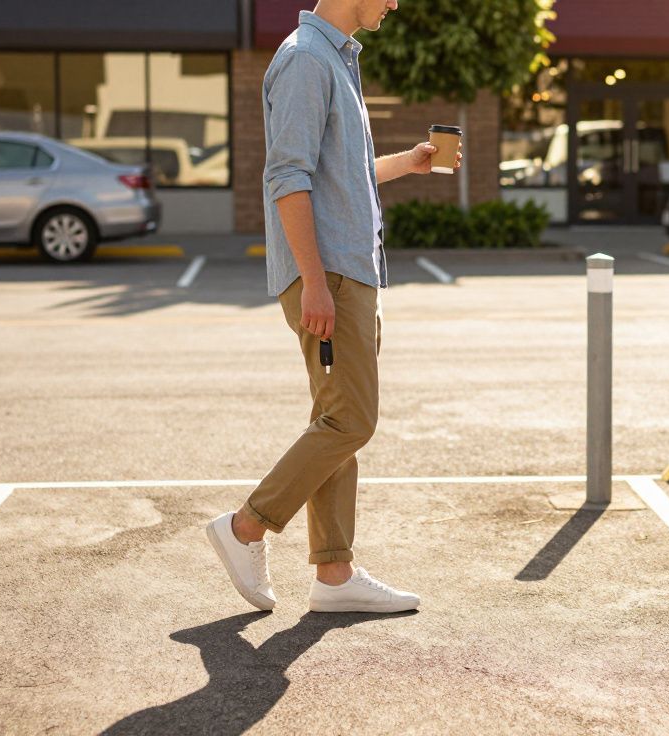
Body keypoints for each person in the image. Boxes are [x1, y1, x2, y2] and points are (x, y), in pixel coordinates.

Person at [205, 0, 461, 613]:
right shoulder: (305, 61)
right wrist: (314, 282)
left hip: (350, 272)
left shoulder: (334, 59)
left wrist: (409, 161)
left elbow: (339, 175)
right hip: (332, 276)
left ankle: (334, 574)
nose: (395, 3)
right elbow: (287, 177)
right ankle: (246, 527)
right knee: (352, 421)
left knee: (335, 420)